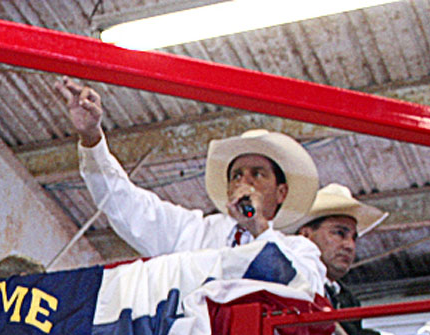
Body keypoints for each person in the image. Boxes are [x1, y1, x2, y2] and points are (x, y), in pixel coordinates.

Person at [56, 77, 319, 256]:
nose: (244, 182)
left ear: (281, 192)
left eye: (257, 174)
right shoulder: (191, 231)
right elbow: (124, 203)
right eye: (236, 175)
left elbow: (296, 288)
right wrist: (91, 136)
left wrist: (256, 226)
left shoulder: (298, 251)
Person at [293, 184, 430, 335]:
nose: (349, 246)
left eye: (354, 238)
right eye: (339, 233)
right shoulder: (293, 277)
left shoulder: (348, 298)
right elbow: (337, 331)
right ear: (306, 235)